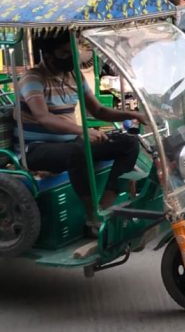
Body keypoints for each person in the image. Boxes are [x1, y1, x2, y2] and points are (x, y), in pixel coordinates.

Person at [19, 33, 147, 227]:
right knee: (78, 150)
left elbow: (98, 110)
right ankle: (92, 217)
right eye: (64, 53)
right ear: (47, 54)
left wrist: (133, 115)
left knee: (129, 143)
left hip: (70, 144)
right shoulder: (32, 78)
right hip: (35, 149)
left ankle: (105, 208)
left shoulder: (73, 76)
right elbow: (43, 117)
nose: (70, 57)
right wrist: (82, 131)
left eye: (73, 52)